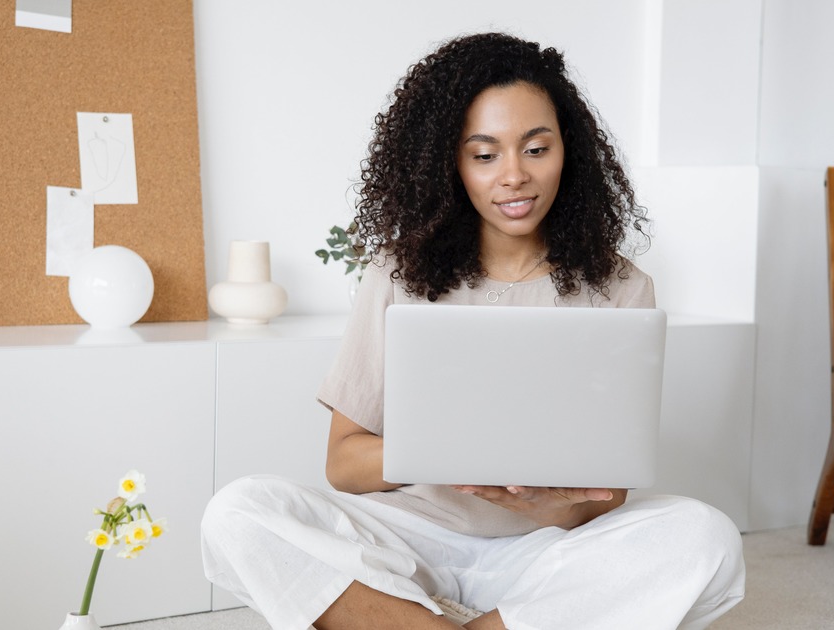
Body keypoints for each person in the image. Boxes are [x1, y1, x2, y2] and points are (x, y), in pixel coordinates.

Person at [201, 32, 745, 630]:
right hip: (406, 542)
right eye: (485, 155)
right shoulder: (397, 274)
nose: (513, 176)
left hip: (542, 551)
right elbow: (344, 465)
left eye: (536, 149)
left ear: (571, 152)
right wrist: (440, 451)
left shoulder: (621, 288)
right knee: (238, 512)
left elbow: (607, 497)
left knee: (706, 537)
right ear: (450, 163)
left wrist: (542, 503)